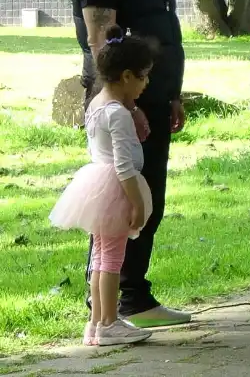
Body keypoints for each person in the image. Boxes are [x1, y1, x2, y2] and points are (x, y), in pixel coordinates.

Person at [69, 0, 191, 329]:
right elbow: (102, 42)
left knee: (147, 199)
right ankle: (105, 307)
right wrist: (126, 102)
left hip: (152, 101)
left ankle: (135, 297)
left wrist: (170, 95)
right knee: (117, 204)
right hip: (123, 106)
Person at [50, 27, 156, 347]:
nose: (146, 84)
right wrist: (136, 203)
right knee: (111, 260)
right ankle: (109, 324)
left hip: (95, 185)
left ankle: (96, 322)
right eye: (143, 77)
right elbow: (123, 165)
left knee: (99, 257)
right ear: (126, 76)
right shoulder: (118, 115)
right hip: (116, 190)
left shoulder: (97, 103)